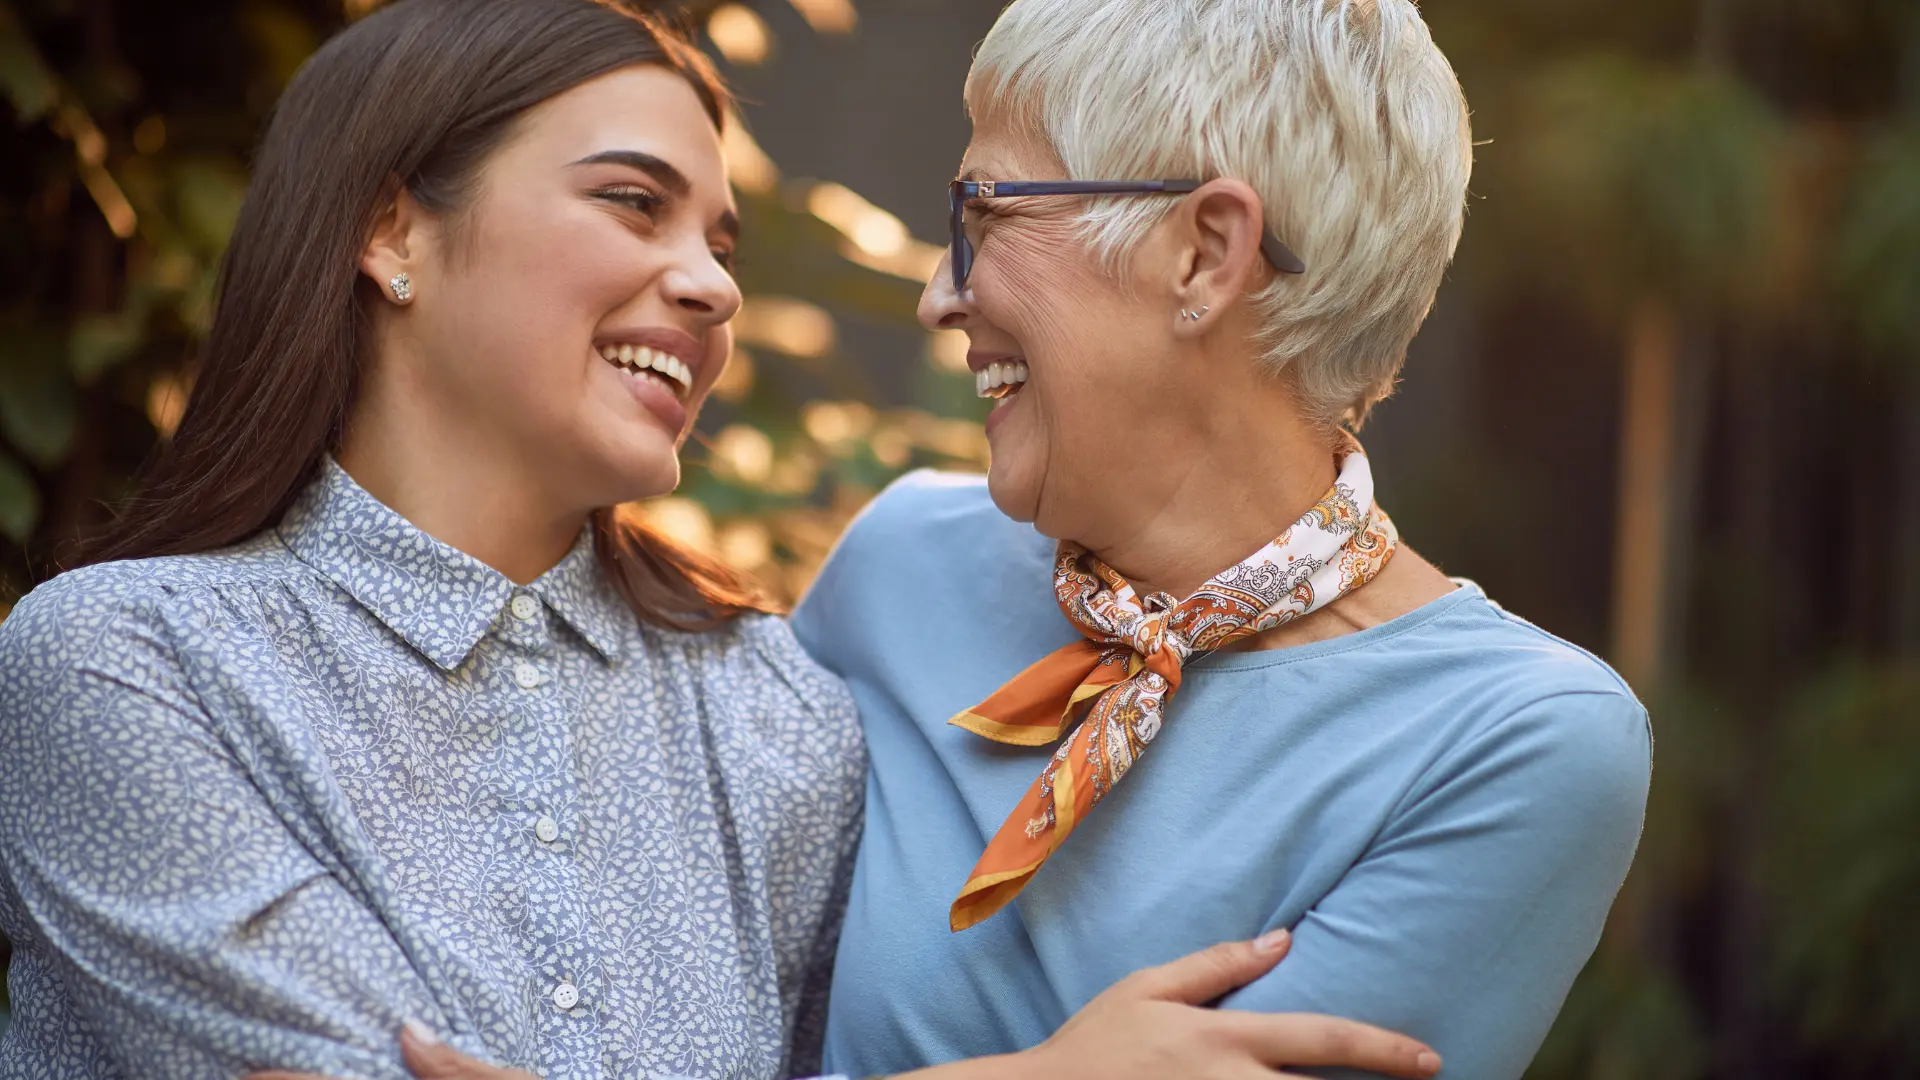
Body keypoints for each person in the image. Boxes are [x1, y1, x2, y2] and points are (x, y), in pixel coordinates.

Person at [0, 2, 1443, 1079]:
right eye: (633, 203)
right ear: (391, 231)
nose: (704, 286)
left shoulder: (779, 718)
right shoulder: (125, 671)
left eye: (724, 247)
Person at [786, 1, 1653, 1078]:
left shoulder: (1514, 741)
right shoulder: (900, 562)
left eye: (986, 211)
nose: (938, 294)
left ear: (1203, 254)